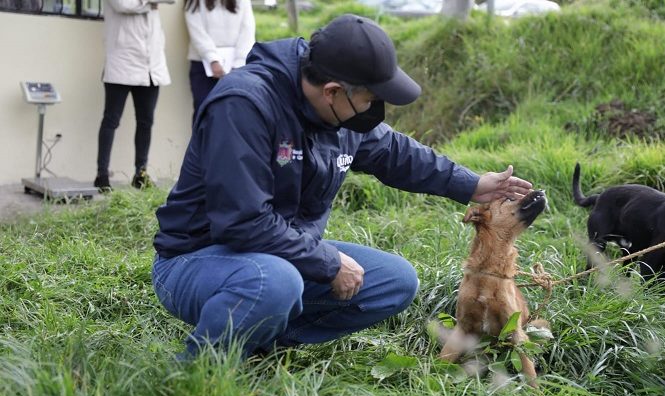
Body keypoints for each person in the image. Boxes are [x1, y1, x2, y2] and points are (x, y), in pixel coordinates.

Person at [151, 14, 533, 359]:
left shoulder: (341, 114)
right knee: (275, 282)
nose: (373, 111)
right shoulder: (244, 105)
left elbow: (395, 152)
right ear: (333, 91)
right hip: (198, 258)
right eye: (370, 99)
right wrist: (327, 262)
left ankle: (257, 342)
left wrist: (471, 184)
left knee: (396, 281)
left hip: (282, 253)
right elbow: (243, 222)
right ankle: (199, 371)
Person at [95, 0, 171, 191]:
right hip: (122, 62)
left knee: (146, 122)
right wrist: (149, 3)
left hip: (151, 66)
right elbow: (123, 5)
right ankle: (102, 175)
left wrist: (141, 3)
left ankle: (140, 173)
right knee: (111, 120)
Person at [184, 0, 255, 121]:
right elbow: (197, 31)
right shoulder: (194, 2)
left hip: (237, 66)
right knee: (204, 111)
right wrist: (213, 59)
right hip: (203, 65)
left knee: (234, 112)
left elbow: (247, 29)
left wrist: (238, 63)